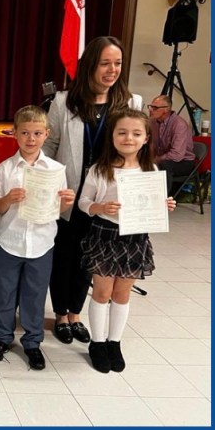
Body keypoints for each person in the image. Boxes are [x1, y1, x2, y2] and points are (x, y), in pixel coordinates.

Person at [43, 35, 143, 346]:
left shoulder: (130, 103)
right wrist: (45, 183)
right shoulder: (64, 102)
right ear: (90, 66)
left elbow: (139, 149)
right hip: (70, 194)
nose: (112, 70)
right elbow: (50, 146)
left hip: (107, 200)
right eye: (105, 63)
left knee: (92, 260)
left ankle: (76, 314)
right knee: (65, 256)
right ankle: (61, 314)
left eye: (118, 63)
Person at [78, 108, 176, 373]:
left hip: (135, 237)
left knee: (122, 293)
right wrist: (100, 207)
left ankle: (114, 342)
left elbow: (152, 203)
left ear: (146, 138)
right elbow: (83, 202)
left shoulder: (150, 169)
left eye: (136, 133)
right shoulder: (100, 169)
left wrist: (164, 205)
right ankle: (97, 343)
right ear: (112, 136)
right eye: (122, 132)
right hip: (105, 235)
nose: (128, 138)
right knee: (102, 292)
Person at [0, 106, 75, 370]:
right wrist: (7, 198)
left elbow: (57, 210)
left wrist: (67, 202)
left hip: (41, 242)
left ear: (46, 134)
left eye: (37, 133)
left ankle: (33, 342)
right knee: (4, 293)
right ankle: (2, 337)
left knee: (35, 295)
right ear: (14, 133)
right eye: (25, 132)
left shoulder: (56, 169)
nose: (31, 138)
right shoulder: (4, 169)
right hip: (9, 240)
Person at [146, 95, 196, 196]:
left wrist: (156, 160)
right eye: (150, 107)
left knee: (164, 165)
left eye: (155, 108)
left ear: (166, 109)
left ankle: (163, 198)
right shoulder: (152, 122)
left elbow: (177, 155)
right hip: (162, 157)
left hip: (183, 161)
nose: (150, 110)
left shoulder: (179, 124)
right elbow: (150, 144)